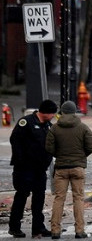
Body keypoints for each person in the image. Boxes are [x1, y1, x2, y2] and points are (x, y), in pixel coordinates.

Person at [45, 101, 92, 239]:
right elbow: (91, 145)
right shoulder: (83, 127)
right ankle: (79, 230)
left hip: (61, 168)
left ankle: (55, 230)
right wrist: (81, 156)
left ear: (62, 112)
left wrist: (59, 155)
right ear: (74, 112)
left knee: (59, 199)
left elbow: (49, 147)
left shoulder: (54, 128)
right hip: (78, 168)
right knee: (78, 198)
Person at [8, 99, 58, 238]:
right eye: (52, 113)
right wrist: (22, 160)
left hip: (40, 169)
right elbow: (15, 141)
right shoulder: (26, 122)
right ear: (45, 112)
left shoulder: (48, 125)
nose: (54, 115)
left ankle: (38, 227)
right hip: (24, 169)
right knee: (21, 196)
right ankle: (14, 227)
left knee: (39, 198)